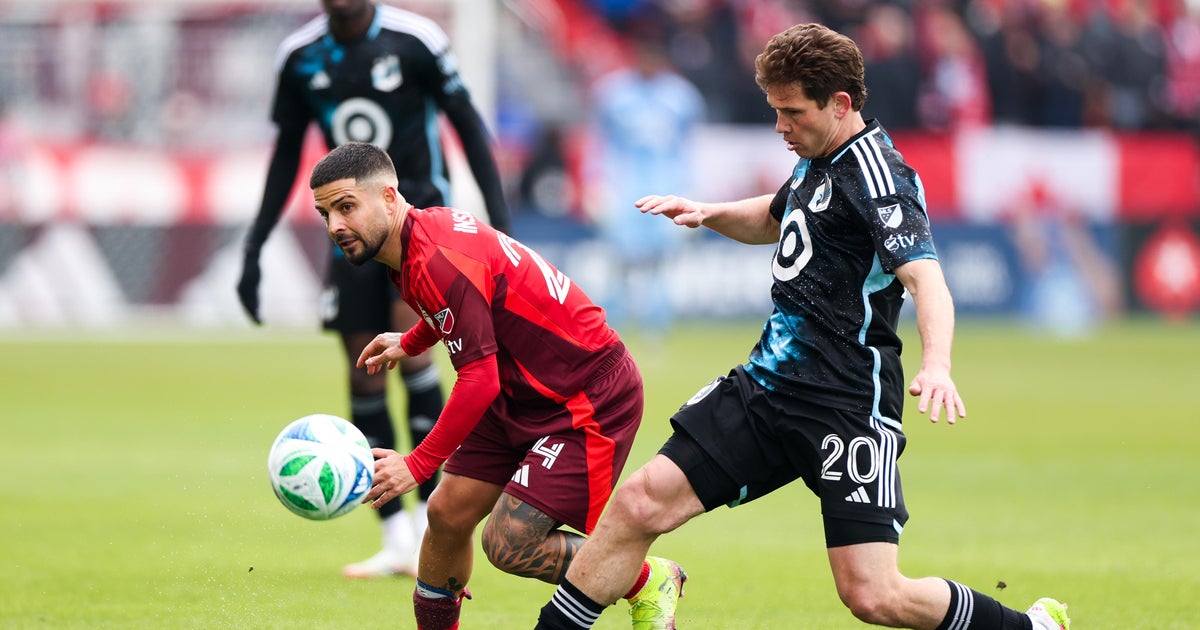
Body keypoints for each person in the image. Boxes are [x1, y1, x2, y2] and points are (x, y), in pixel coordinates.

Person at [535, 23, 1072, 630]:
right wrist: (709, 212)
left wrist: (938, 365)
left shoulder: (880, 178)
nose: (780, 126)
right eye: (775, 110)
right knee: (638, 503)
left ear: (839, 104)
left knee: (873, 595)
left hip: (845, 402)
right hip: (766, 387)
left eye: (792, 112)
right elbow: (774, 217)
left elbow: (927, 280)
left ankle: (1030, 627)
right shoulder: (818, 158)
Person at [309, 141, 686, 630]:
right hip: (522, 389)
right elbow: (468, 305)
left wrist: (418, 464)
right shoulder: (418, 238)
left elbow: (478, 377)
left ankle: (646, 579)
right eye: (325, 214)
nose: (335, 225)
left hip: (585, 395)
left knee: (510, 543)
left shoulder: (436, 256)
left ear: (388, 196)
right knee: (446, 514)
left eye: (346, 207)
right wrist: (412, 339)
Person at [236, 0, 510, 578]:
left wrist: (502, 222)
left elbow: (467, 125)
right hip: (351, 232)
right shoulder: (300, 56)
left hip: (418, 225)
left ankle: (432, 521)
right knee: (364, 370)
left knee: (416, 362)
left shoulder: (416, 39)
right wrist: (255, 244)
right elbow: (287, 151)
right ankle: (395, 536)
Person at [587, 12, 705, 339]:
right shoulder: (612, 93)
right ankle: (611, 328)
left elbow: (689, 149)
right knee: (619, 260)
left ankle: (656, 329)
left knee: (661, 262)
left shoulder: (682, 97)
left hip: (667, 187)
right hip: (624, 188)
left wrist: (692, 189)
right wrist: (595, 185)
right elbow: (599, 142)